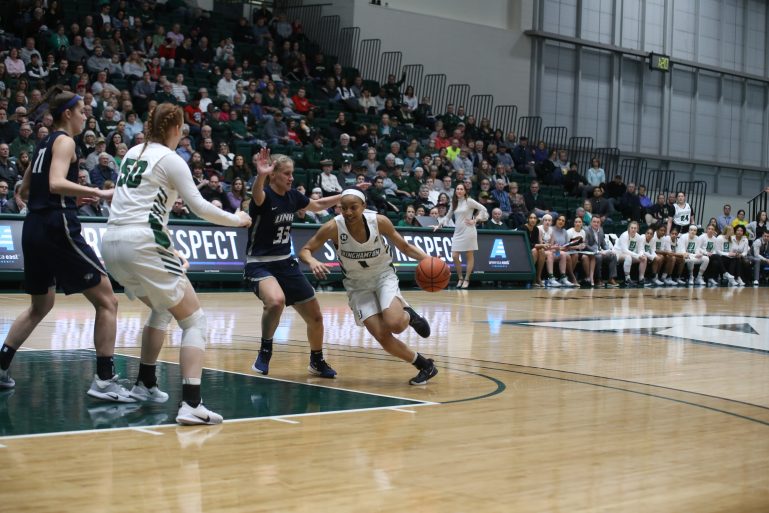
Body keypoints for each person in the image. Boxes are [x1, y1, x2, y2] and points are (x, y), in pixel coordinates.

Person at [100, 103, 252, 425]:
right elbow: (199, 206)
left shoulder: (133, 153)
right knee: (195, 321)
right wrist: (236, 219)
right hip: (142, 243)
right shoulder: (171, 159)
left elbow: (140, 205)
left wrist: (168, 247)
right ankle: (192, 404)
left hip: (112, 243)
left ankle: (145, 383)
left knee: (162, 307)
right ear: (176, 127)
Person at [0, 87, 133, 403]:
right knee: (108, 301)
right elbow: (55, 183)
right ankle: (104, 380)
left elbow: (25, 189)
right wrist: (97, 193)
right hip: (56, 227)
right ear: (68, 113)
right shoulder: (65, 141)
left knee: (41, 305)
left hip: (34, 227)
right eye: (82, 111)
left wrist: (70, 197)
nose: (86, 115)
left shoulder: (43, 143)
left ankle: (1, 365)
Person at [299, 189, 437, 385]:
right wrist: (312, 261)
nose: (348, 212)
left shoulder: (379, 221)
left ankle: (409, 315)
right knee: (382, 336)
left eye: (353, 207)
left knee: (395, 324)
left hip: (383, 276)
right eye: (344, 208)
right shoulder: (333, 227)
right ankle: (425, 365)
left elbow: (405, 247)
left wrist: (429, 260)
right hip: (357, 285)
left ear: (363, 207)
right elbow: (305, 250)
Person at [246, 149, 342, 378]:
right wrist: (260, 175)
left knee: (316, 317)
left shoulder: (293, 196)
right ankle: (265, 350)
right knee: (275, 301)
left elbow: (318, 205)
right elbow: (256, 193)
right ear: (273, 174)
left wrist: (346, 195)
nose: (291, 178)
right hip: (259, 264)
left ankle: (317, 361)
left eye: (292, 173)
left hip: (286, 264)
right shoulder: (264, 196)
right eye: (286, 174)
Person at [434, 183, 489, 288]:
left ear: (465, 191)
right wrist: (439, 225)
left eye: (461, 189)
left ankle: (467, 279)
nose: (459, 191)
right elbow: (447, 217)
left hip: (469, 231)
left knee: (469, 255)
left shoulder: (469, 201)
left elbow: (483, 209)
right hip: (458, 232)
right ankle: (460, 278)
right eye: (457, 189)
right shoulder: (454, 202)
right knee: (454, 256)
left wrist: (475, 220)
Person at [615, 221, 647, 286]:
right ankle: (627, 279)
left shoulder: (639, 237)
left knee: (644, 258)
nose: (633, 229)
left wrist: (641, 255)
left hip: (629, 254)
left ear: (637, 229)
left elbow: (641, 249)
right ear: (628, 228)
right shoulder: (624, 235)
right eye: (632, 228)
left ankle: (641, 278)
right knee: (628, 257)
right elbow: (624, 250)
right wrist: (637, 256)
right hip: (618, 254)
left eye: (635, 228)